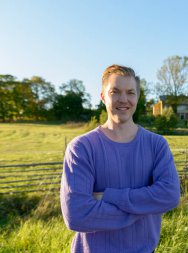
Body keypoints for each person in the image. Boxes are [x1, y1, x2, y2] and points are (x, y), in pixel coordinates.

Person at [60, 64, 180, 253]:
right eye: (115, 92)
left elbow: (170, 195)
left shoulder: (157, 145)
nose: (123, 99)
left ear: (137, 97)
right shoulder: (81, 148)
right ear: (103, 96)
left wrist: (109, 196)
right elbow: (76, 215)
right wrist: (143, 207)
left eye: (130, 92)